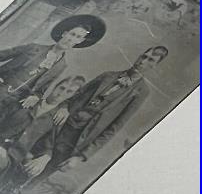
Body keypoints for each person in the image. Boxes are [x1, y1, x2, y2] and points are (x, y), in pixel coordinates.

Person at [0, 15, 106, 153]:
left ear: (80, 42)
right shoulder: (33, 48)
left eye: (78, 37)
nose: (72, 39)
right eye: (72, 34)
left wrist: (35, 96)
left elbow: (41, 90)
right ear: (64, 33)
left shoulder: (61, 66)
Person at [15, 46, 169, 175]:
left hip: (76, 141)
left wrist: (82, 156)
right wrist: (64, 107)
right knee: (20, 160)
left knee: (35, 177)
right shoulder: (108, 76)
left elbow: (115, 128)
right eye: (144, 56)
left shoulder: (141, 92)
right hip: (57, 124)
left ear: (155, 65)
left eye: (150, 60)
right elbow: (75, 95)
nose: (143, 61)